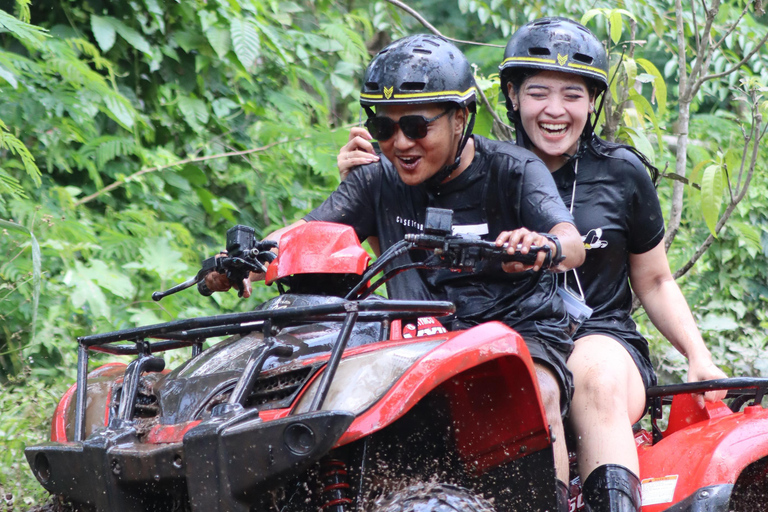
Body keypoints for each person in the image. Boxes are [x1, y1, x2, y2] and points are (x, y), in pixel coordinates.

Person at [337, 19, 728, 512]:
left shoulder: (620, 172)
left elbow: (655, 279)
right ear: (512, 96)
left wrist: (697, 354)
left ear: (592, 103)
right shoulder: (479, 166)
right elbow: (414, 256)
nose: (555, 110)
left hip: (596, 335)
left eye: (573, 95)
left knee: (594, 376)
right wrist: (378, 182)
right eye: (539, 93)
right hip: (496, 334)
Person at [207, 34, 585, 510]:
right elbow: (305, 234)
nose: (400, 143)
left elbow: (572, 244)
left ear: (461, 118)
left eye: (415, 126)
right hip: (414, 341)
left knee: (541, 388)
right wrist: (237, 264)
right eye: (383, 129)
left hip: (517, 336)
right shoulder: (375, 180)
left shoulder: (514, 169)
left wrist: (544, 245)